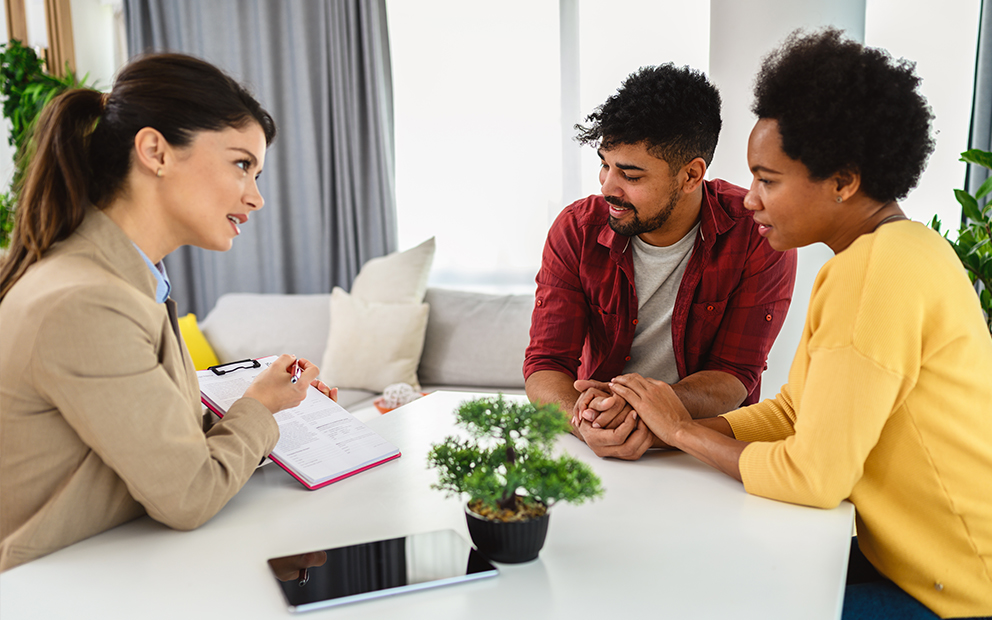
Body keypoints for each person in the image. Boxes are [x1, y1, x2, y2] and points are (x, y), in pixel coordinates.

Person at [609, 29, 992, 619]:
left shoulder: (874, 273)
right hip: (916, 565)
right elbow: (794, 413)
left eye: (768, 180)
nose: (749, 201)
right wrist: (671, 428)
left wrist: (685, 434)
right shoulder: (899, 251)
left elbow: (812, 477)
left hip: (955, 590)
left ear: (843, 180)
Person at [0, 54, 336, 571]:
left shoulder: (126, 281)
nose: (256, 198)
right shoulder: (87, 300)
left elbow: (162, 446)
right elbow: (189, 493)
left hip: (117, 562)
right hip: (55, 587)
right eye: (242, 164)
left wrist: (277, 403)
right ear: (156, 151)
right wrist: (260, 407)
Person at [523, 64, 797, 460]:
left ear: (691, 175)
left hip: (704, 450)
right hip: (597, 442)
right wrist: (581, 421)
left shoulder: (758, 233)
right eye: (605, 164)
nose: (607, 187)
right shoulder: (576, 229)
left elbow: (734, 374)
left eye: (630, 176)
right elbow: (546, 363)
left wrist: (643, 406)